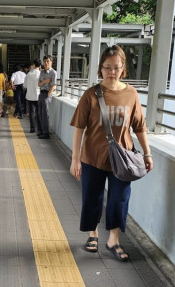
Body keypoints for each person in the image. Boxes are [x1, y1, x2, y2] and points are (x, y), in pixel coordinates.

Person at [69, 45, 152, 260]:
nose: (112, 72)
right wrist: (75, 159)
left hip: (122, 159)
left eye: (116, 67)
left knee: (119, 199)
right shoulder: (91, 95)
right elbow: (79, 127)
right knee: (92, 198)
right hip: (92, 157)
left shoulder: (131, 93)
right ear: (101, 68)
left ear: (123, 68)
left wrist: (147, 154)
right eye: (107, 67)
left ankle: (113, 240)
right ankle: (93, 234)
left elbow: (139, 126)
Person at [37, 54, 56, 139]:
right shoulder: (41, 72)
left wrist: (48, 95)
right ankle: (41, 131)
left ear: (51, 62)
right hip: (41, 93)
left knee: (45, 114)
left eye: (48, 61)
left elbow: (53, 85)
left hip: (47, 94)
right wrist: (45, 81)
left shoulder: (53, 73)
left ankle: (46, 133)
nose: (46, 63)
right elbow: (39, 84)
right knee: (40, 113)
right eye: (45, 61)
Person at [24, 60, 41, 134]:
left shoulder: (28, 74)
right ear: (40, 66)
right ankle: (39, 129)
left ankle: (32, 128)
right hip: (38, 96)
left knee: (31, 112)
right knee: (39, 112)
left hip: (30, 96)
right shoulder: (40, 74)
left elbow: (24, 85)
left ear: (34, 65)